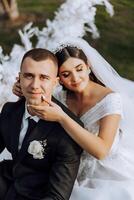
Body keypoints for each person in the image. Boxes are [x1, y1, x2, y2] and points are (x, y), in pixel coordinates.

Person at [13, 38, 134, 200]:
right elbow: (37, 92)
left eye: (79, 69)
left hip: (102, 171)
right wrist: (23, 89)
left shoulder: (110, 99)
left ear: (88, 66)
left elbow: (101, 151)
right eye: (66, 74)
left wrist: (62, 118)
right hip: (65, 162)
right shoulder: (60, 96)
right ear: (58, 79)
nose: (75, 78)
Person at [0, 48, 83, 200]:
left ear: (55, 83)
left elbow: (57, 196)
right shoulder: (9, 111)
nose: (34, 85)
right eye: (29, 76)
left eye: (44, 77)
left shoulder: (68, 130)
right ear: (19, 78)